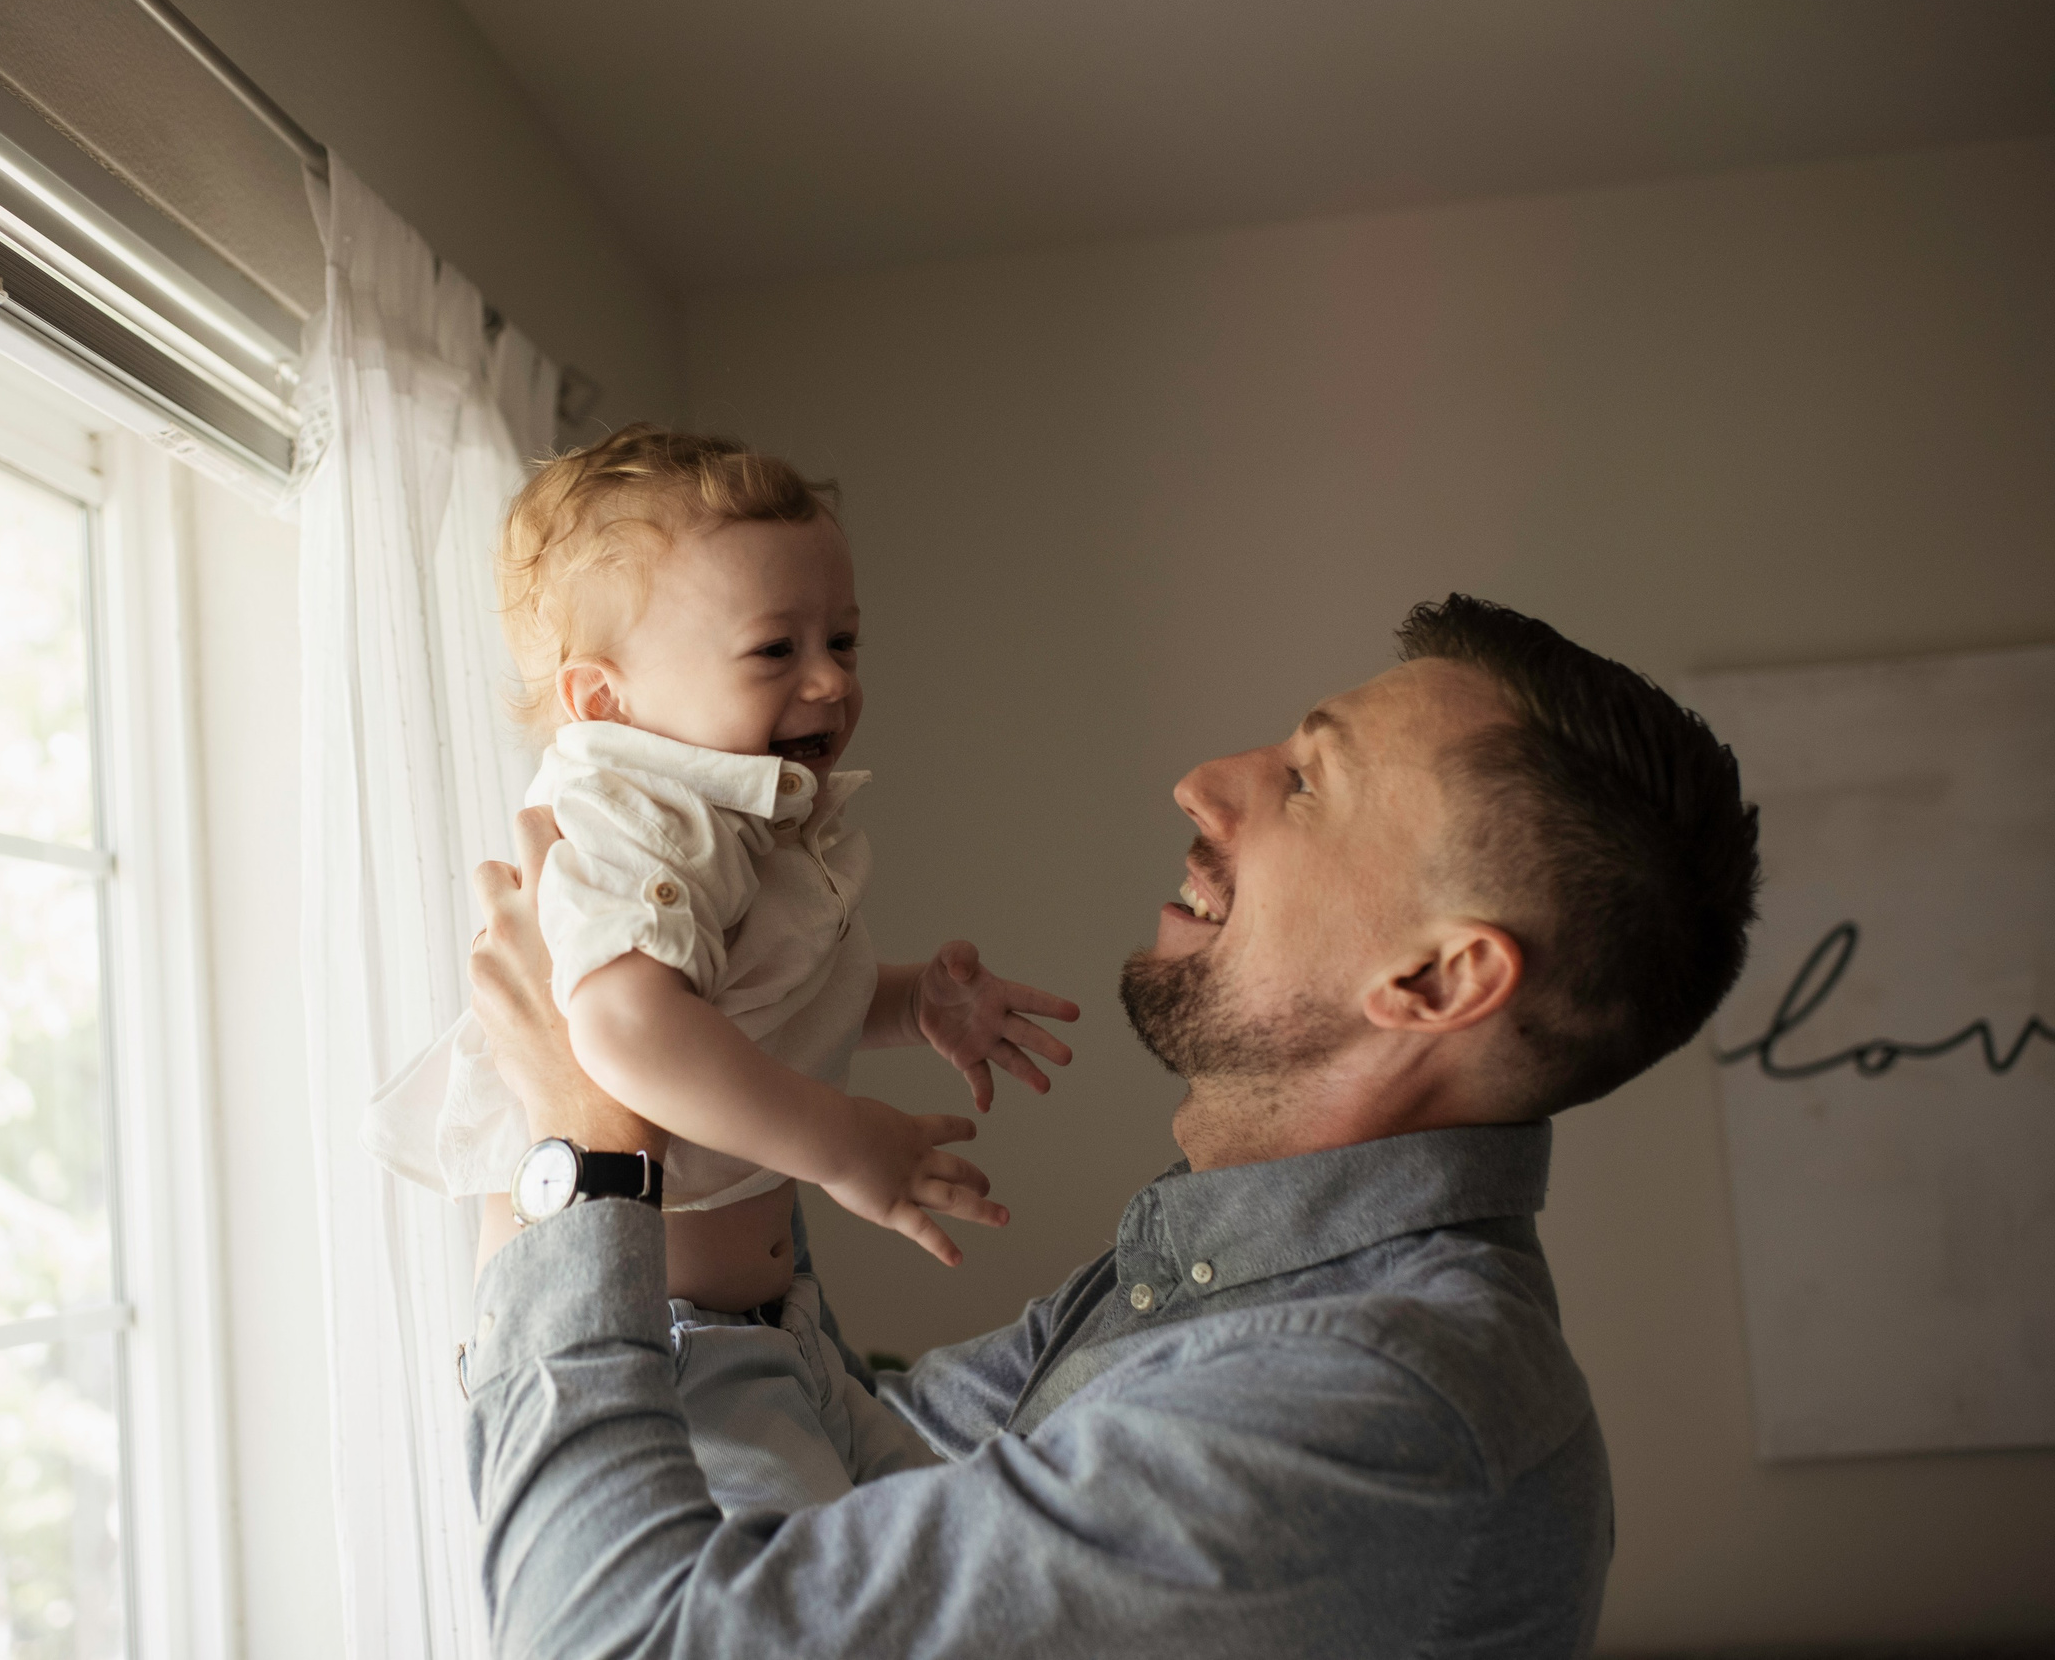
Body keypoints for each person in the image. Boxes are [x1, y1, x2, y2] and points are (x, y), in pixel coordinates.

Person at [456, 594, 1761, 1659]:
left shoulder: (1370, 1408)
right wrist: (713, 1022)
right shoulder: (1210, 1285)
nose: (1204, 784)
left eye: (1307, 782)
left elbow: (613, 1638)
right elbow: (849, 1474)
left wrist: (585, 1150)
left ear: (1434, 978)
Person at [364, 425, 1077, 1517]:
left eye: (842, 639)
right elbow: (625, 1030)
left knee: (945, 1536)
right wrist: (843, 1143)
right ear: (603, 700)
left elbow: (749, 1007)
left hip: (770, 1331)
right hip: (658, 1352)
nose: (830, 679)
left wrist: (909, 1001)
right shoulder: (637, 818)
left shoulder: (741, 817)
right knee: (836, 1578)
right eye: (774, 650)